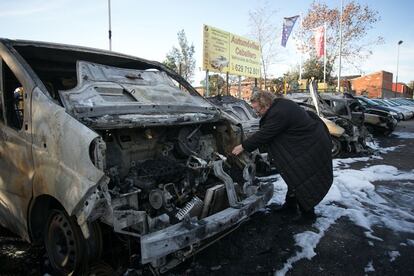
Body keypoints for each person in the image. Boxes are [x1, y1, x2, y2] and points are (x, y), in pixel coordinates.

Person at [232, 91, 333, 220]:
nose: (256, 112)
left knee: (303, 178)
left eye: (257, 108)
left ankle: (308, 215)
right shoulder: (280, 105)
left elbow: (265, 133)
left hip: (309, 147)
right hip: (308, 143)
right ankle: (290, 206)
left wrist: (243, 146)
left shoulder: (279, 112)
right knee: (294, 177)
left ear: (265, 105)